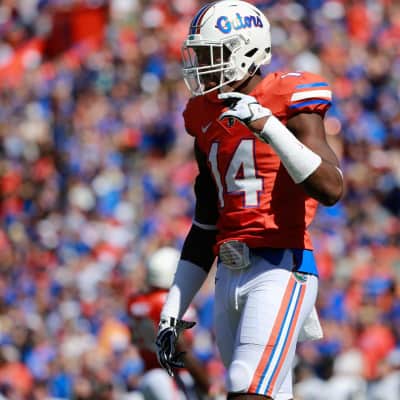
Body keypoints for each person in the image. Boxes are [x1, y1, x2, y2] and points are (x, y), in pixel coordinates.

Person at [155, 1, 344, 399]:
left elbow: (331, 188)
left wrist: (268, 126)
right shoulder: (203, 116)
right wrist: (173, 308)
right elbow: (205, 223)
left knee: (245, 385)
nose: (201, 65)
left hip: (280, 265)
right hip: (228, 274)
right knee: (262, 391)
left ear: (245, 50)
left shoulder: (287, 96)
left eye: (211, 54)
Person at [127, 246, 213, 399]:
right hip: (171, 378)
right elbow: (181, 350)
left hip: (148, 376)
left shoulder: (136, 302)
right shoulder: (168, 301)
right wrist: (207, 385)